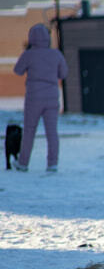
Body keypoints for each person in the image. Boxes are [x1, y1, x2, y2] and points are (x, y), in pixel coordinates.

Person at [13, 23, 69, 173]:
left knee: (29, 131)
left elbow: (17, 70)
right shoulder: (56, 54)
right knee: (52, 132)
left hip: (33, 97)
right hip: (51, 97)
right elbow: (63, 74)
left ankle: (23, 163)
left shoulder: (29, 55)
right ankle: (52, 164)